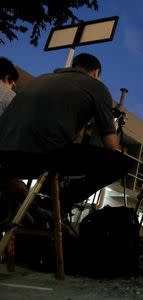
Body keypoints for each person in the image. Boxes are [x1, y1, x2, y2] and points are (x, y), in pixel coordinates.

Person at [0, 53, 131, 213]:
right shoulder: (97, 87)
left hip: (5, 156)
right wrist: (112, 123)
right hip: (42, 156)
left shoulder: (41, 79)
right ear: (96, 73)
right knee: (121, 164)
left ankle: (42, 204)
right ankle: (56, 204)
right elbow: (111, 145)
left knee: (60, 153)